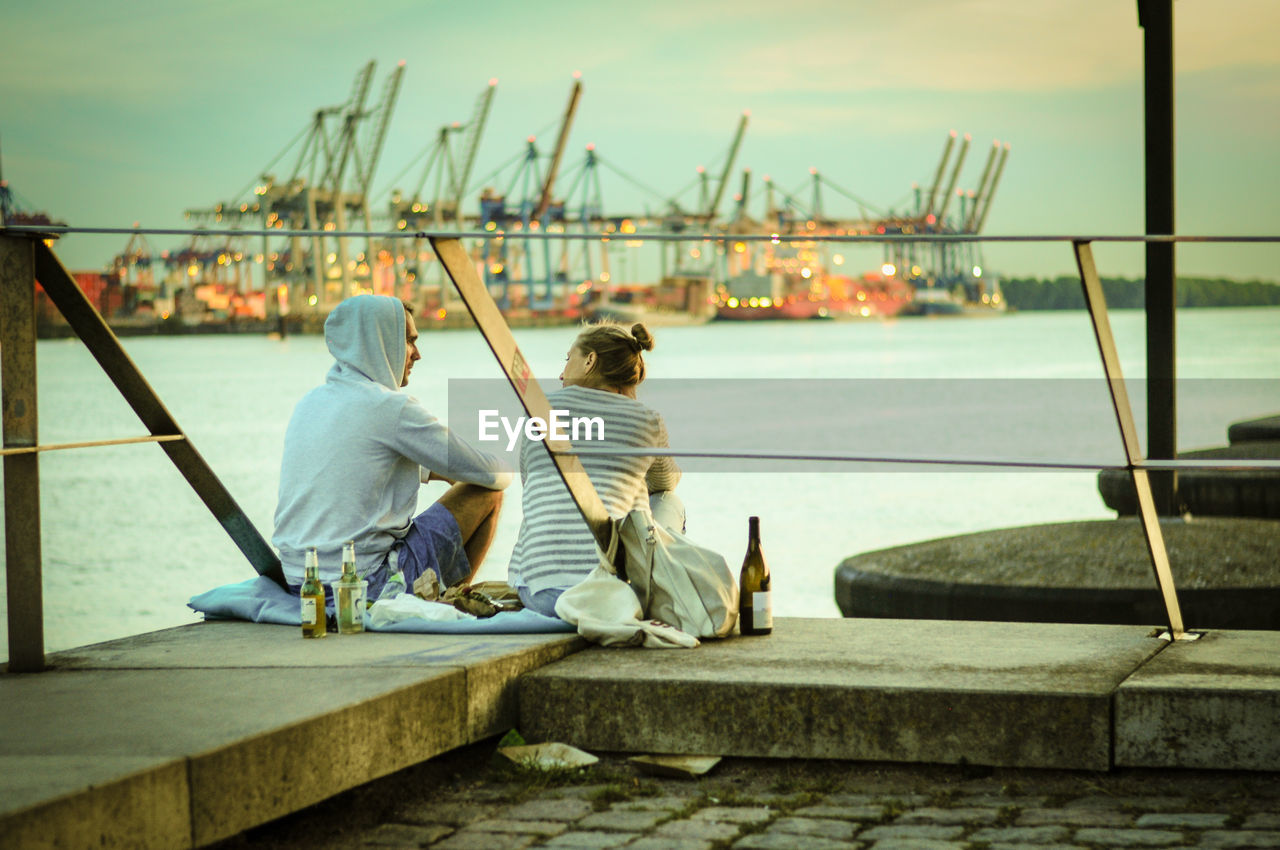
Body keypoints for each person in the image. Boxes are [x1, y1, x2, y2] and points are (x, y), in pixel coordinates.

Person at [273, 294, 511, 600]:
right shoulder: (390, 407)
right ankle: (453, 602)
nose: (417, 354)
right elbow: (493, 475)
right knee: (487, 493)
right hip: (363, 584)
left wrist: (435, 470)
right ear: (380, 342)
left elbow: (359, 460)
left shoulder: (311, 403)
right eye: (409, 341)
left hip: (299, 583)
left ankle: (446, 596)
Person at [508, 321, 682, 618]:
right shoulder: (647, 418)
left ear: (590, 361)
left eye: (568, 359)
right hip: (612, 595)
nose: (561, 373)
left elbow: (531, 484)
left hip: (539, 593)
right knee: (667, 500)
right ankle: (658, 588)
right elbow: (666, 482)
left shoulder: (537, 410)